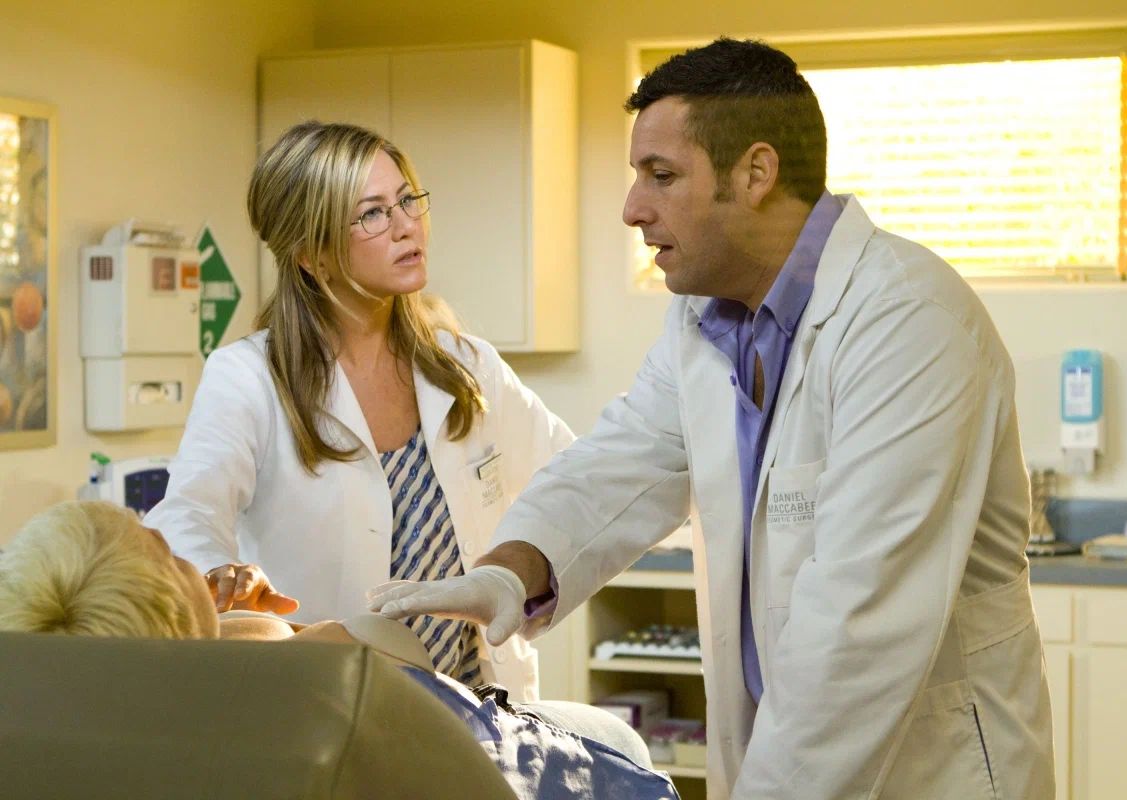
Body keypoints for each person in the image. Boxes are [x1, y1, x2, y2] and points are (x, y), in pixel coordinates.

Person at [369, 38, 1055, 799]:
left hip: (931, 771)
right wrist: (511, 568)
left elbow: (856, 631)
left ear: (756, 173)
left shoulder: (907, 322)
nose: (633, 208)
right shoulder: (707, 319)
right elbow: (624, 461)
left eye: (661, 175)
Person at [143, 121, 574, 701]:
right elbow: (187, 515)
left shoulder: (467, 364)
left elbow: (572, 477)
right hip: (330, 704)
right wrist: (219, 573)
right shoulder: (249, 377)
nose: (406, 226)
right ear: (312, 254)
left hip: (478, 705)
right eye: (372, 213)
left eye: (407, 200)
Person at [0, 500, 677, 800]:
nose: (184, 556)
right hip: (488, 752)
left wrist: (215, 620)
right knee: (620, 741)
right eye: (167, 554)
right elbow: (386, 651)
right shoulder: (313, 672)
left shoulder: (67, 730)